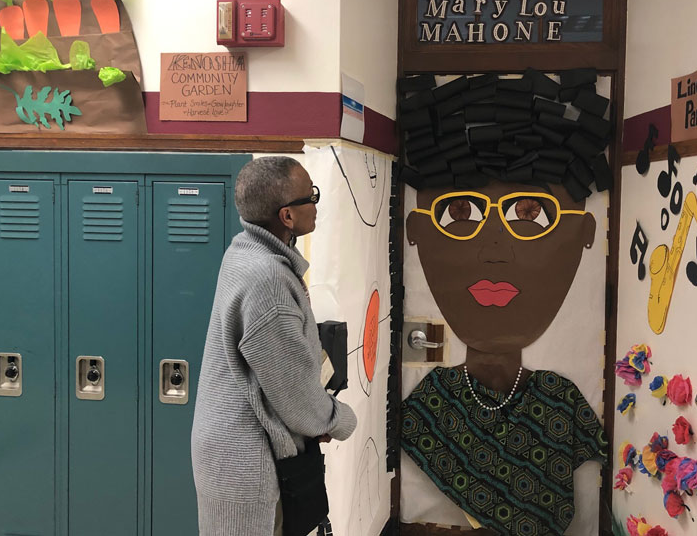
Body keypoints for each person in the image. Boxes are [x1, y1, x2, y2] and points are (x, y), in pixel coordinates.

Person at [401, 179, 608, 536]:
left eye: (531, 214)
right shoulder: (437, 397)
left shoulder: (557, 396)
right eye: (460, 212)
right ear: (415, 231)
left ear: (585, 235)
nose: (494, 251)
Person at [191, 156, 357, 536]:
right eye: (310, 196)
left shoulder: (244, 253)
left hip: (231, 448)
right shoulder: (268, 279)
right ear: (287, 216)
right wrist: (339, 420)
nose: (316, 204)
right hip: (247, 461)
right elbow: (294, 396)